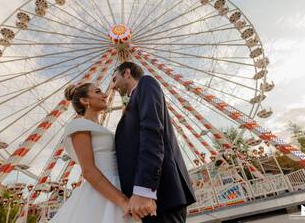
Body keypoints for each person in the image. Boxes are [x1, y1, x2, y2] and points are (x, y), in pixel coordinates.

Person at [112, 62, 196, 223]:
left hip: (159, 194)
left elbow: (152, 133)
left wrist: (144, 190)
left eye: (115, 79)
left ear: (127, 73)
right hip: (146, 201)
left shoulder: (146, 83)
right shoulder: (133, 102)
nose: (112, 86)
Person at [49, 82, 142, 223]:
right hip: (105, 191)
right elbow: (88, 170)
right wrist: (122, 201)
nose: (105, 95)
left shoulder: (99, 129)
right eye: (98, 92)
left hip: (119, 185)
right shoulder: (78, 125)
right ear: (85, 101)